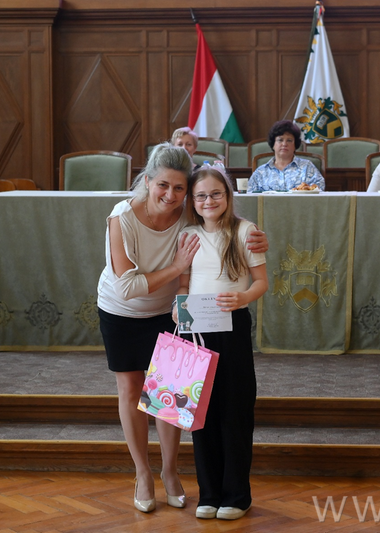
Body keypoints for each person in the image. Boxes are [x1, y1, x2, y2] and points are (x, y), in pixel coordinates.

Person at [96, 144, 268, 514]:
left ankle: (170, 471)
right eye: (163, 185)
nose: (170, 195)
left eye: (179, 188)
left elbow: (226, 227)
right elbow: (126, 286)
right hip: (123, 310)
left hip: (171, 312)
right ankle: (143, 474)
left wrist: (256, 238)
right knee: (131, 389)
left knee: (170, 394)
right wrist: (176, 269)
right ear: (147, 181)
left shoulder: (188, 215)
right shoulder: (122, 216)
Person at [174, 164, 268, 521]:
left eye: (216, 193)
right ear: (192, 201)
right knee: (200, 412)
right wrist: (178, 306)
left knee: (234, 409)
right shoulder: (188, 235)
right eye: (201, 196)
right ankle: (209, 494)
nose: (208, 201)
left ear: (228, 196)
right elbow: (184, 283)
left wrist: (242, 298)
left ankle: (237, 496)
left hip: (232, 326)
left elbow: (261, 282)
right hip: (196, 328)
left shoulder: (245, 231)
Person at [248, 120, 325, 192]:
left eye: (289, 140)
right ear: (273, 144)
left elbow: (319, 189)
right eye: (280, 140)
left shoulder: (307, 167)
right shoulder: (260, 172)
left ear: (295, 145)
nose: (284, 144)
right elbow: (250, 195)